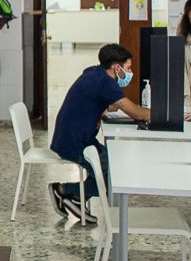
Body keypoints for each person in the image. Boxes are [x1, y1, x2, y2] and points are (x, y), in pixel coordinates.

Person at [49, 43, 150, 223]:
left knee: (113, 165)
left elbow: (101, 102)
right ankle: (64, 191)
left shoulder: (95, 73)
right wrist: (162, 114)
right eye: (128, 68)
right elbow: (136, 113)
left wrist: (107, 107)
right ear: (116, 68)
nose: (130, 72)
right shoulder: (105, 82)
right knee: (112, 177)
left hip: (74, 138)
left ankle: (75, 198)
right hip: (74, 143)